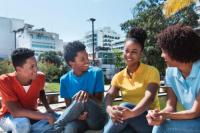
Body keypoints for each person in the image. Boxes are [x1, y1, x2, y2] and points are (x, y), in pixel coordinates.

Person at [102, 27, 160, 133]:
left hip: (149, 122)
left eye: (134, 52)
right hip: (128, 120)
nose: (128, 55)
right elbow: (109, 96)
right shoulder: (118, 76)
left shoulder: (152, 71)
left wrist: (131, 113)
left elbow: (150, 98)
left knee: (125, 106)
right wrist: (110, 110)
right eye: (126, 51)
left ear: (141, 54)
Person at [146, 23, 200, 133]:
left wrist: (165, 115)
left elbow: (195, 112)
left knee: (163, 127)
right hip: (194, 121)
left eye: (164, 51)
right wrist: (158, 114)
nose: (162, 55)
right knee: (161, 124)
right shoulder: (170, 72)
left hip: (195, 118)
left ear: (176, 50)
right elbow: (170, 107)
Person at [46, 41, 107, 133]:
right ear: (72, 63)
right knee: (70, 127)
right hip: (80, 120)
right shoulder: (64, 80)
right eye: (82, 59)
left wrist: (88, 94)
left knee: (82, 99)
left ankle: (56, 127)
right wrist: (78, 116)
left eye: (87, 57)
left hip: (99, 119)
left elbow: (99, 103)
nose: (87, 61)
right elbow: (69, 108)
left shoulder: (97, 72)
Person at [0, 48, 62, 133]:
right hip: (9, 117)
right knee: (22, 123)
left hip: (33, 114)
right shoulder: (5, 80)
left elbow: (41, 90)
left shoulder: (40, 77)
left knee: (61, 117)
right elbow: (15, 113)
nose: (36, 69)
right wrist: (47, 116)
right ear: (19, 69)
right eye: (32, 66)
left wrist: (48, 108)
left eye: (36, 64)